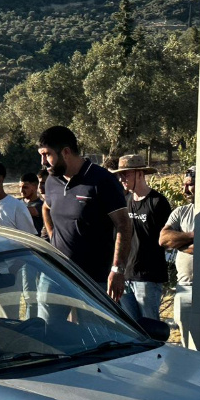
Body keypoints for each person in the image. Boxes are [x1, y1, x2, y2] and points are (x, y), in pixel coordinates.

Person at [38, 126, 132, 301]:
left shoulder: (102, 180)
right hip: (57, 273)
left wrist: (117, 270)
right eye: (41, 155)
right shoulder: (52, 181)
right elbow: (46, 207)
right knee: (48, 327)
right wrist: (53, 238)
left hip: (93, 279)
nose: (43, 161)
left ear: (66, 152)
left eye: (47, 154)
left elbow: (124, 225)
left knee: (92, 328)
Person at [111, 155, 172, 321]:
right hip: (125, 275)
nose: (122, 178)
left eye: (126, 174)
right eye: (120, 175)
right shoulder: (125, 201)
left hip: (148, 277)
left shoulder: (158, 202)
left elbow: (167, 240)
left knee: (150, 326)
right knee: (132, 327)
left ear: (140, 174)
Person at [160, 168, 196, 347]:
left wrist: (179, 243)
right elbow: (164, 239)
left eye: (190, 185)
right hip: (185, 287)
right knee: (186, 342)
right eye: (184, 184)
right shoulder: (181, 212)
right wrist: (191, 236)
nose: (185, 190)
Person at [20, 172, 46, 238]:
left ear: (35, 187)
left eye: (25, 187)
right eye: (20, 187)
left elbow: (31, 211)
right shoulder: (17, 202)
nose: (21, 190)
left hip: (34, 243)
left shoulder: (41, 205)